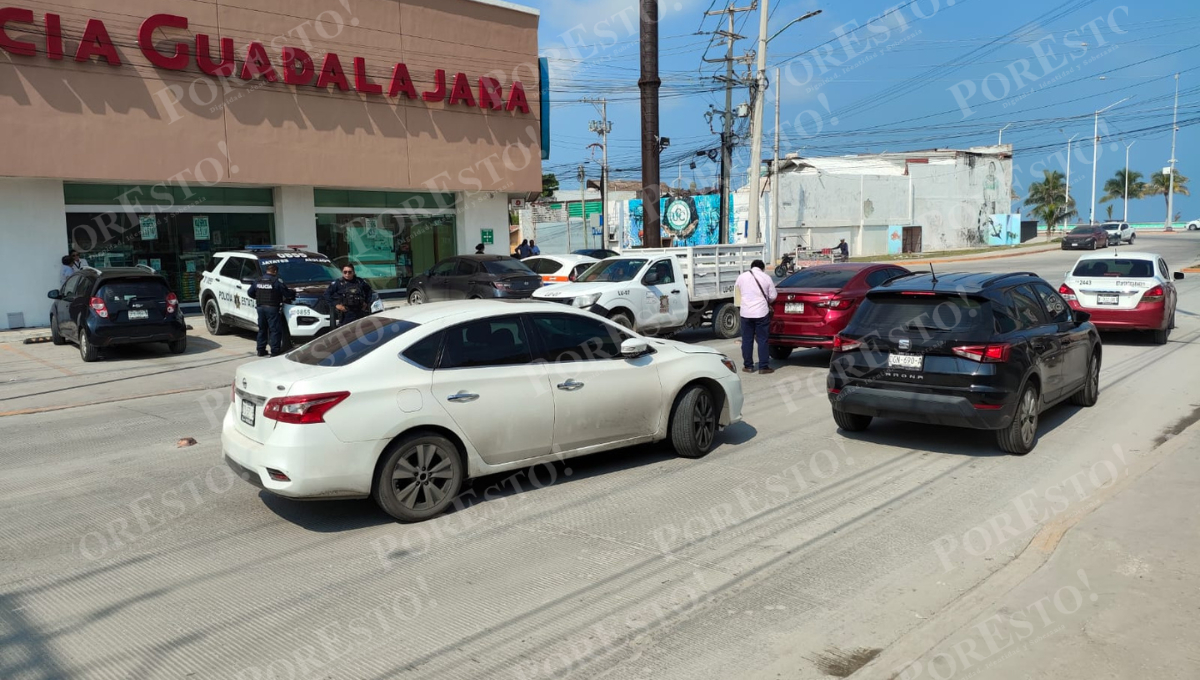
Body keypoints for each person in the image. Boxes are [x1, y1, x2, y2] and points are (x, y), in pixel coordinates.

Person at [735, 259, 778, 375]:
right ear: (762, 268)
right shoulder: (766, 277)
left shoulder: (741, 277)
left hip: (745, 313)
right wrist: (766, 301)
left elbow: (737, 293)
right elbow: (773, 296)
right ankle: (763, 367)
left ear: (752, 266)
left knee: (747, 340)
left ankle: (748, 366)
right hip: (761, 313)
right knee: (762, 340)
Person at [247, 264, 295, 357]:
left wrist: (258, 298)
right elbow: (287, 293)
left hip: (260, 308)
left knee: (262, 329)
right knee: (275, 330)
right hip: (272, 308)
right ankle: (275, 351)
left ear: (267, 271)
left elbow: (250, 293)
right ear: (275, 271)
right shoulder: (276, 281)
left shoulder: (258, 280)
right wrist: (292, 293)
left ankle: (261, 350)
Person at [324, 264, 375, 328]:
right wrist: (336, 305)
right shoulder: (338, 283)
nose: (347, 274)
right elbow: (327, 295)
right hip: (346, 313)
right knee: (347, 333)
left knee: (362, 330)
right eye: (345, 272)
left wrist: (366, 302)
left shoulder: (359, 281)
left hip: (360, 311)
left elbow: (369, 291)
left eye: (349, 272)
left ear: (353, 272)